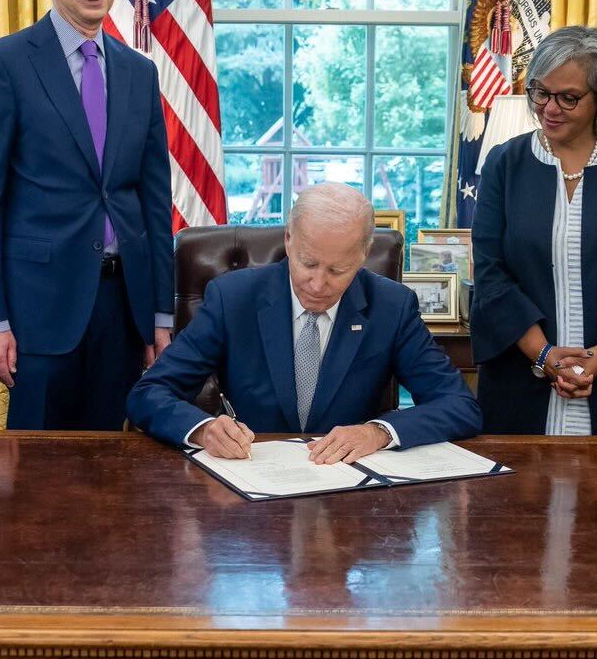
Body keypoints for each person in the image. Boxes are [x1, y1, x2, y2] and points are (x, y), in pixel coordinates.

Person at [0, 0, 174, 429]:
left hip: (123, 308)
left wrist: (159, 316)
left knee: (112, 473)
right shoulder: (3, 64)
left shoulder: (139, 73)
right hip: (39, 310)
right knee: (38, 480)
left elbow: (153, 203)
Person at [128, 183, 479, 459]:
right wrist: (202, 429)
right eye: (308, 263)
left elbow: (459, 406)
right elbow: (149, 394)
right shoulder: (233, 298)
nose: (317, 283)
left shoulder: (391, 306)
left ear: (363, 256)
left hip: (350, 498)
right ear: (289, 240)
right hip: (252, 497)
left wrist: (379, 432)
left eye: (337, 270)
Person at [469, 26, 597, 435]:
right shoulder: (504, 164)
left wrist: (594, 359)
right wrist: (544, 354)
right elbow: (491, 274)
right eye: (540, 92)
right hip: (520, 383)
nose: (549, 108)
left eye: (569, 97)